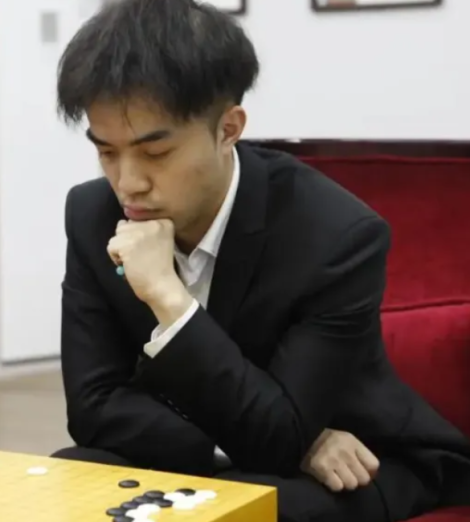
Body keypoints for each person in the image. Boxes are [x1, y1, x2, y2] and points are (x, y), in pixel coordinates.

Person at [51, 0, 470, 521]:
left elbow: (278, 435)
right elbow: (92, 408)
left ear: (229, 128)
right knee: (71, 478)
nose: (128, 183)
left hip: (358, 455)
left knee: (248, 510)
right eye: (107, 152)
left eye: (155, 153)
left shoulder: (336, 235)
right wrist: (232, 446)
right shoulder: (92, 215)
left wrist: (168, 299)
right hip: (279, 447)